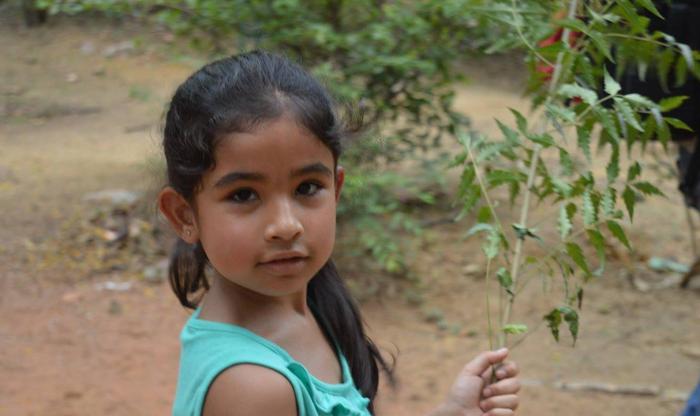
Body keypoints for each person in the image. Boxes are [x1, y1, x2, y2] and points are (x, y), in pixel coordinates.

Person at [157, 50, 521, 416]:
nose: (286, 225)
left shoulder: (312, 303)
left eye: (307, 188)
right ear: (184, 215)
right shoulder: (253, 389)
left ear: (337, 187)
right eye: (243, 195)